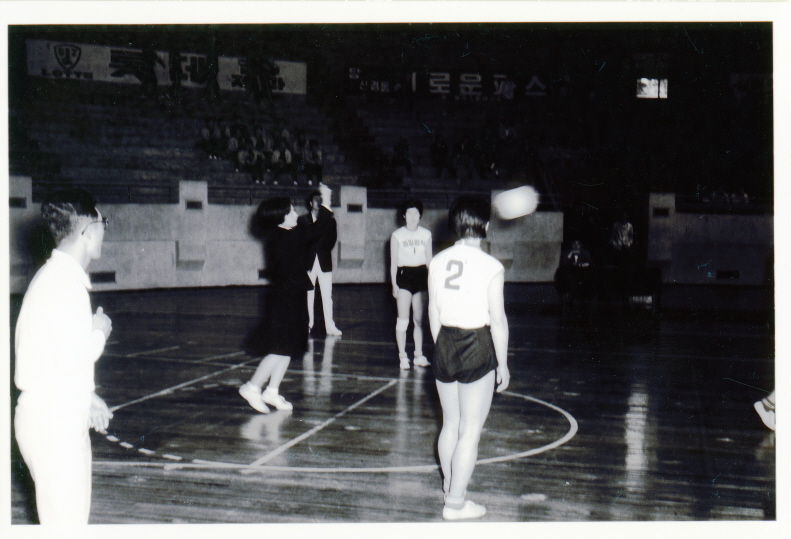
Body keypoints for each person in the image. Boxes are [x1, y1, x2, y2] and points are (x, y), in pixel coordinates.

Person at [14, 188, 114, 524]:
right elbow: (73, 356)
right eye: (103, 223)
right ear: (87, 229)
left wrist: (87, 395)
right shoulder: (63, 284)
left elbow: (48, 356)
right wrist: (99, 330)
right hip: (53, 425)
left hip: (51, 416)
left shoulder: (54, 277)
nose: (105, 230)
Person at [428, 196, 509, 521]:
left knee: (450, 424)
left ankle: (451, 487)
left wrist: (442, 345)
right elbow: (498, 320)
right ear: (485, 227)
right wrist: (502, 363)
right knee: (470, 430)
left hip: (444, 341)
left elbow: (433, 311)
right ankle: (456, 503)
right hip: (476, 343)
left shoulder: (438, 260)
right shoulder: (491, 266)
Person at [239, 197, 317, 413]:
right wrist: (324, 208)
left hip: (293, 296)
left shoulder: (287, 233)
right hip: (284, 300)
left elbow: (307, 229)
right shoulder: (283, 238)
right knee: (279, 348)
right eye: (291, 211)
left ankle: (272, 391)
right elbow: (311, 232)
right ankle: (252, 387)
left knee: (289, 348)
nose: (296, 213)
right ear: (280, 218)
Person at [390, 199, 433, 370]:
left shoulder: (426, 234)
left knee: (419, 320)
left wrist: (434, 281)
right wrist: (394, 283)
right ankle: (402, 357)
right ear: (404, 215)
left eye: (416, 213)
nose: (413, 216)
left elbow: (429, 260)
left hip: (421, 276)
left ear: (420, 215)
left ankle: (418, 355)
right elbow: (393, 262)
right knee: (403, 320)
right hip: (405, 276)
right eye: (409, 213)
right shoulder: (397, 235)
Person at [298, 184, 342, 336]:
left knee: (327, 295)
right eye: (315, 199)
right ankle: (307, 325)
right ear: (310, 203)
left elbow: (331, 241)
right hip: (308, 262)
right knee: (308, 294)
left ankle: (330, 326)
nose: (318, 202)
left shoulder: (330, 221)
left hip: (324, 261)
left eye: (320, 199)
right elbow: (307, 238)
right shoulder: (303, 220)